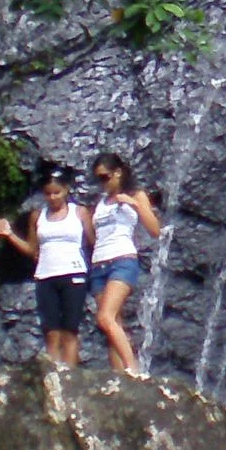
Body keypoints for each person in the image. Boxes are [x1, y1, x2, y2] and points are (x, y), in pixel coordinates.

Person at [0, 168, 91, 366]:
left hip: (73, 274)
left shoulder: (79, 212)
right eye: (48, 193)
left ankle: (69, 377)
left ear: (66, 190)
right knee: (51, 331)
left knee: (70, 330)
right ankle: (53, 374)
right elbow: (33, 251)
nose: (52, 197)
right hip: (45, 276)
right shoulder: (37, 216)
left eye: (56, 192)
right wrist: (10, 234)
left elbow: (93, 241)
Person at [88, 152, 163, 376]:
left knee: (105, 317)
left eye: (105, 177)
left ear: (118, 173)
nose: (102, 183)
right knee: (113, 326)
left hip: (122, 260)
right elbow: (95, 235)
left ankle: (134, 370)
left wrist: (135, 205)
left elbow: (155, 230)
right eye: (98, 179)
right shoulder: (100, 203)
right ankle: (119, 378)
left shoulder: (136, 195)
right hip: (99, 264)